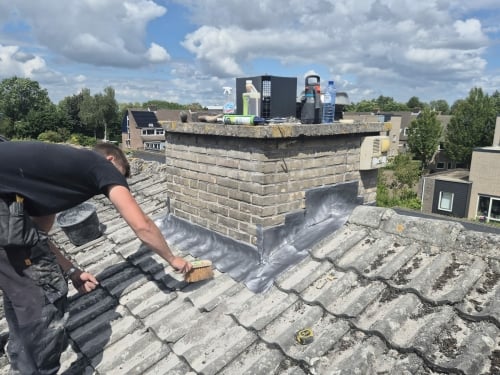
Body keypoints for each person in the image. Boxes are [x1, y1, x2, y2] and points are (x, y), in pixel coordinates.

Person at [0, 140, 192, 374]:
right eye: (120, 177)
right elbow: (142, 226)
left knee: (22, 293)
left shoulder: (47, 181)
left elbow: (38, 237)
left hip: (6, 217)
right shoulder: (99, 165)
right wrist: (173, 259)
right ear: (111, 160)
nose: (116, 185)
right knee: (44, 300)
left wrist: (72, 271)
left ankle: (22, 363)